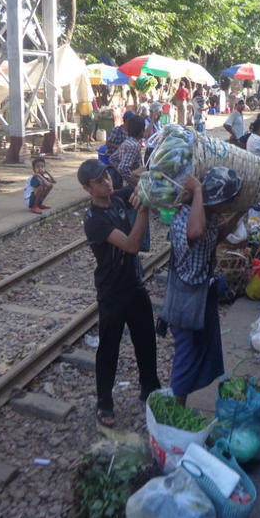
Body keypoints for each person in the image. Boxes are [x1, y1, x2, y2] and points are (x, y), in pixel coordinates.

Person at [78, 159, 161, 427]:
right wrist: (144, 211)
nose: (106, 181)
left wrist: (148, 169)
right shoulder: (94, 220)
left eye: (106, 175)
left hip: (134, 284)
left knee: (146, 340)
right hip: (112, 292)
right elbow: (131, 245)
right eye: (98, 180)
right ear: (87, 189)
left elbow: (141, 180)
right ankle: (104, 402)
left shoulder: (118, 198)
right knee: (109, 348)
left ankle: (150, 388)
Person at [160, 168, 244, 406]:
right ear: (216, 199)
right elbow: (195, 232)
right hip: (185, 299)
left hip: (203, 295)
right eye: (227, 202)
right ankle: (176, 408)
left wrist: (239, 214)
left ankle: (181, 401)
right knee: (186, 355)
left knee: (202, 349)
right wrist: (197, 190)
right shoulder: (184, 215)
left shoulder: (209, 216)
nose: (229, 205)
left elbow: (214, 236)